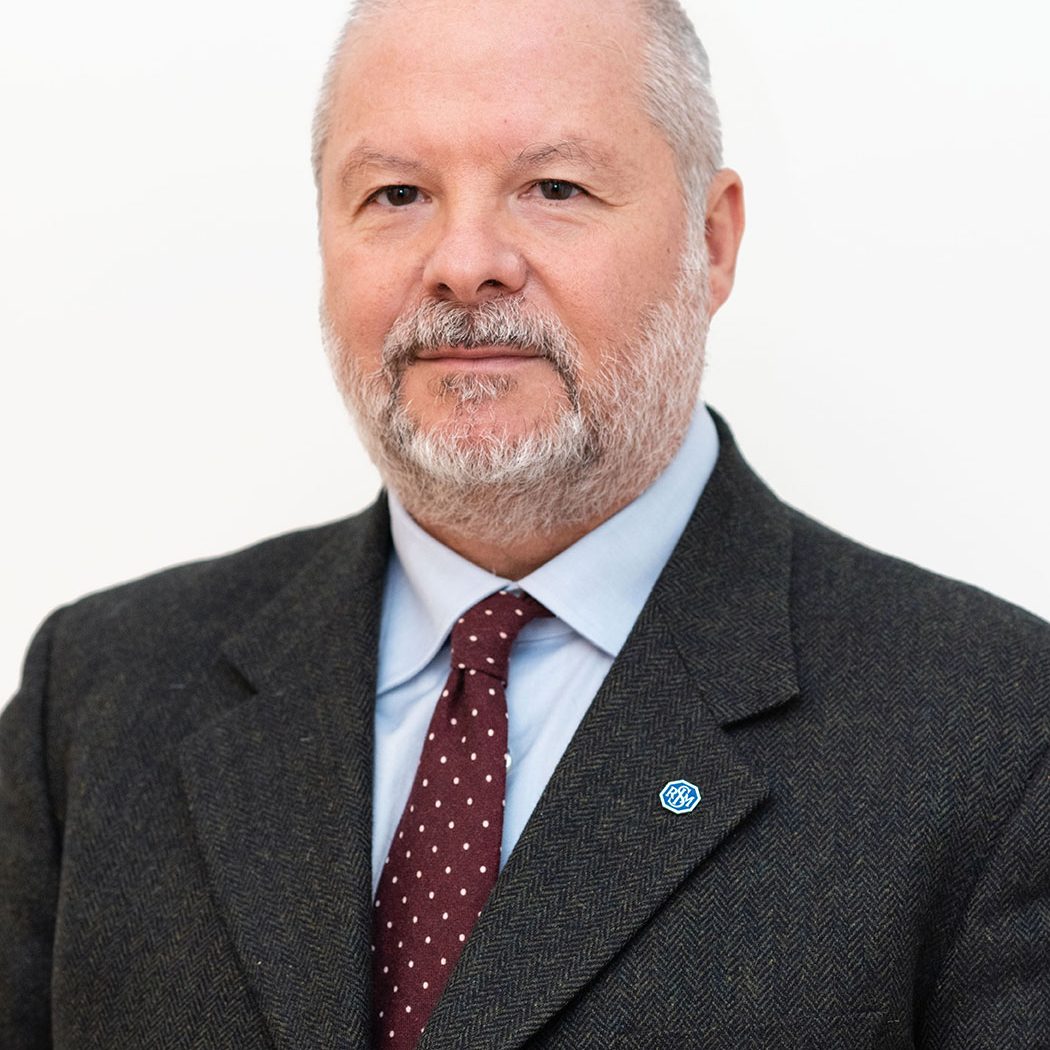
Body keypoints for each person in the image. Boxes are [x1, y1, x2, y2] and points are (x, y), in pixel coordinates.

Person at [2, 0, 1047, 1046]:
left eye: (555, 188)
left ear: (712, 240)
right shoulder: (98, 699)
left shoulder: (996, 734)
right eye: (397, 193)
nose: (464, 263)